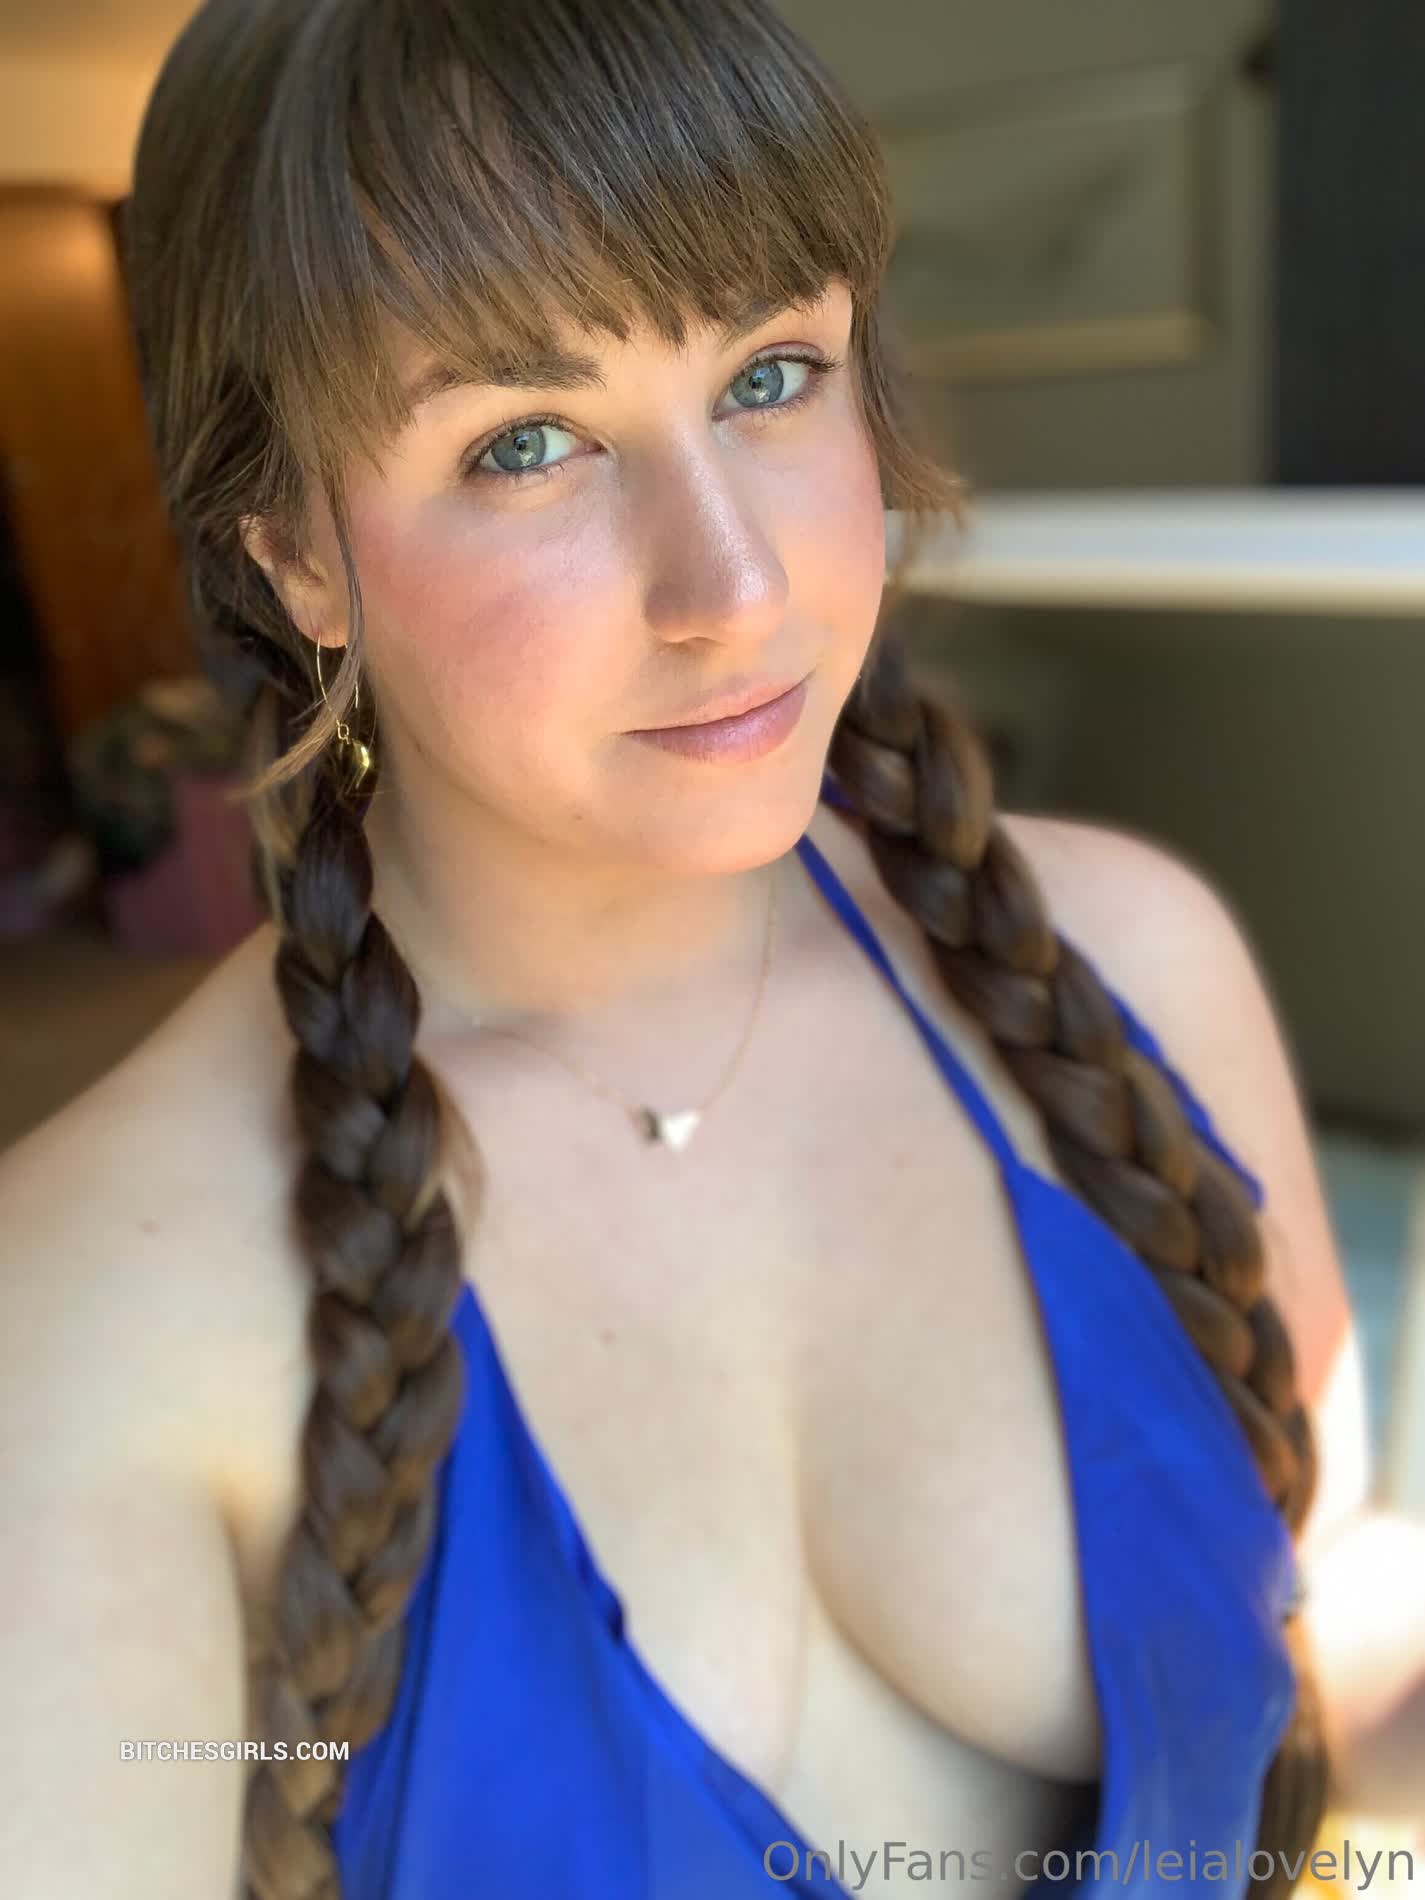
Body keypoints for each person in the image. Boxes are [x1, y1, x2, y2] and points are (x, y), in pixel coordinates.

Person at [1, 2, 1420, 1898]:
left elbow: (1301, 1650)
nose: (734, 589)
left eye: (770, 374)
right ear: (296, 557)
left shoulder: (1131, 965)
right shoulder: (86, 1319)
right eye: (524, 442)